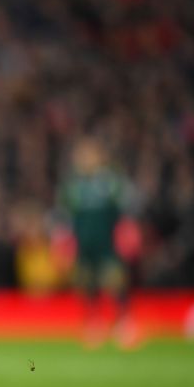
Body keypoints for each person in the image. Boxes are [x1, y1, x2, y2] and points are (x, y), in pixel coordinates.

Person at [57, 136, 139, 347]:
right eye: (80, 155)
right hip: (84, 243)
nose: (83, 159)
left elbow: (129, 208)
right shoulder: (73, 185)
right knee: (87, 282)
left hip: (108, 242)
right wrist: (64, 241)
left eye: (87, 154)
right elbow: (64, 216)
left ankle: (124, 322)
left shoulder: (111, 182)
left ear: (99, 157)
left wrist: (128, 231)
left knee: (115, 280)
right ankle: (94, 324)